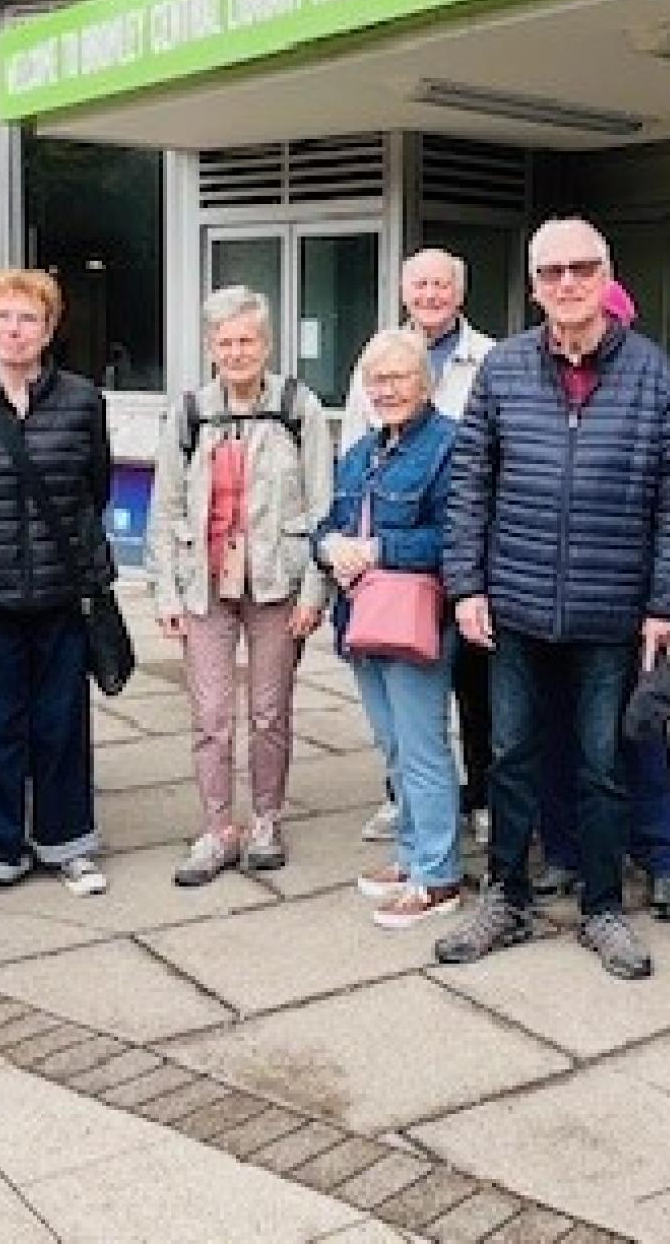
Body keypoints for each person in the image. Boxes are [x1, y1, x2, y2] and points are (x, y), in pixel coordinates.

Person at [435, 218, 670, 981]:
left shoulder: (652, 373)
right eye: (551, 272)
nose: (567, 283)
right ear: (533, 285)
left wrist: (667, 600)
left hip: (611, 612)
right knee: (511, 757)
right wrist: (466, 585)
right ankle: (505, 896)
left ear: (605, 273)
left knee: (603, 764)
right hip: (514, 605)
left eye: (582, 268)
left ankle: (604, 907)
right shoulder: (507, 370)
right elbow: (470, 485)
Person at [0, 268, 117, 904]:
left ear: (49, 328)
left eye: (27, 318)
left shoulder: (82, 400)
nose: (14, 330)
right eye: (1, 318)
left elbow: (96, 487)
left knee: (61, 723)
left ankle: (68, 843)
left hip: (62, 591)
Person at [149, 286, 334, 886]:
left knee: (269, 712)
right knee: (210, 715)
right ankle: (218, 827)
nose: (236, 352)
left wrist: (315, 592)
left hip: (277, 583)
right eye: (225, 342)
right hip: (204, 583)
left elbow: (323, 505)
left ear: (267, 343)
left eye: (247, 340)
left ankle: (267, 822)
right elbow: (165, 505)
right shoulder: (190, 412)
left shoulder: (297, 407)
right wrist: (166, 593)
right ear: (209, 348)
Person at [533, 273, 670, 920]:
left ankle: (659, 858)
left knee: (637, 735)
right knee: (555, 734)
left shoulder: (648, 380)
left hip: (622, 595)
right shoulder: (532, 376)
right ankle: (566, 851)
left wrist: (666, 600)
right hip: (545, 594)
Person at [340, 248, 496, 844]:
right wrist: (341, 541)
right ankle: (414, 817)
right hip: (383, 582)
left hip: (451, 565)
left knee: (472, 699)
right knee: (403, 729)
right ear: (405, 292)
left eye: (441, 285)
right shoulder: (378, 358)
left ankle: (474, 801)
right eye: (420, 284)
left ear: (458, 293)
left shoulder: (486, 358)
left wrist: (379, 546)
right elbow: (358, 453)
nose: (430, 294)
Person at [320, 329, 463, 928]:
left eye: (398, 378)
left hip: (417, 622)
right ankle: (410, 855)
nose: (386, 390)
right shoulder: (360, 452)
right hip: (363, 620)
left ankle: (439, 876)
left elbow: (454, 538)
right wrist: (330, 544)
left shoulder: (450, 445)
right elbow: (326, 522)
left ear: (424, 382)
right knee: (394, 748)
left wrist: (377, 549)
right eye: (376, 380)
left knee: (424, 750)